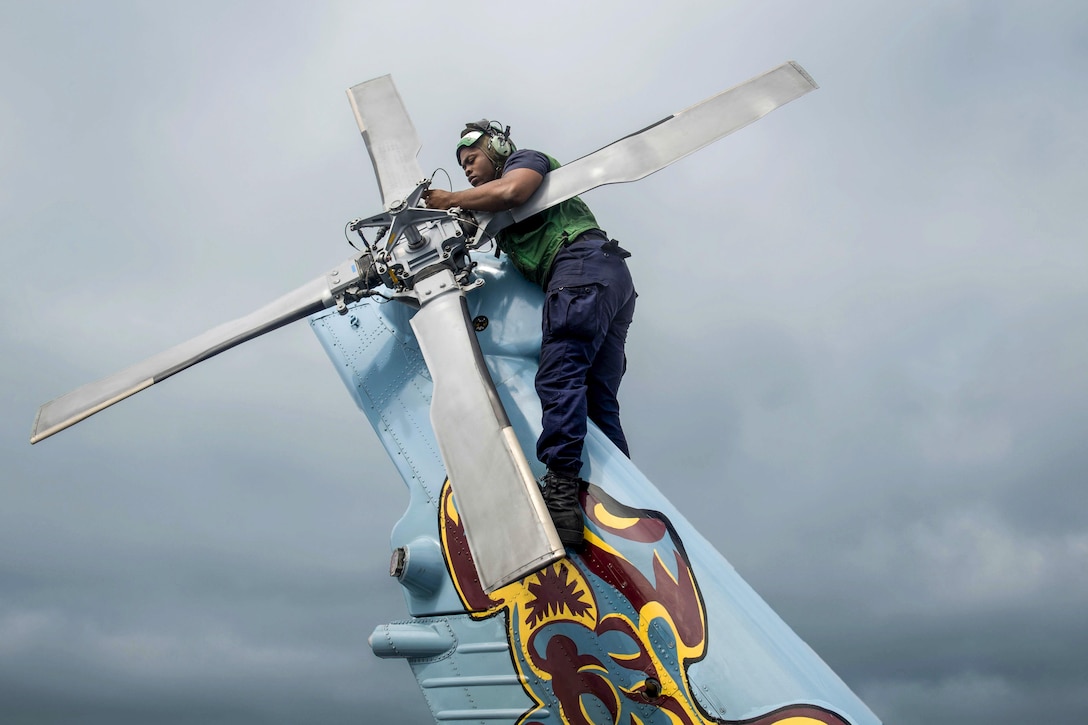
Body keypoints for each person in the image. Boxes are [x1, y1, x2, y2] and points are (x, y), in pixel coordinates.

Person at [423, 120, 636, 549]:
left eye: (472, 159)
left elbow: (512, 192)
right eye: (462, 166)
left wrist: (447, 199)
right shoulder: (492, 212)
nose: (467, 170)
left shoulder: (525, 163)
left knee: (559, 374)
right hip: (609, 278)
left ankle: (560, 490)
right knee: (597, 402)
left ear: (500, 149)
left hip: (580, 267)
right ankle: (619, 500)